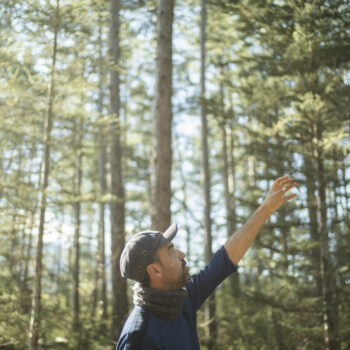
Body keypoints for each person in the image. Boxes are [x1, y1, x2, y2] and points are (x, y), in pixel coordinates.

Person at [116, 176, 297, 349]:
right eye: (171, 251)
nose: (181, 253)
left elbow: (223, 261)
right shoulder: (138, 336)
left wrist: (264, 209)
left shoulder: (181, 300)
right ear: (154, 270)